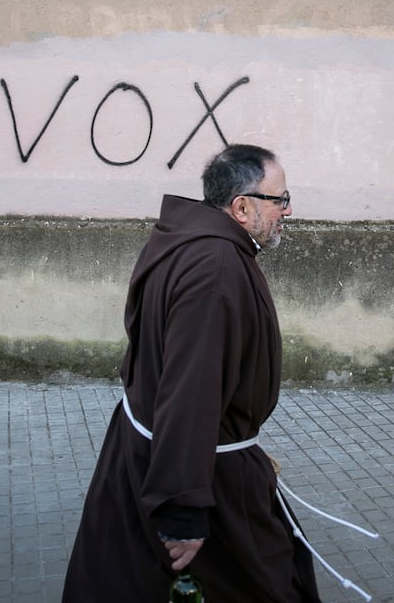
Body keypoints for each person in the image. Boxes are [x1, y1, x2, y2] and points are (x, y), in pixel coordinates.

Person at [62, 144, 319, 602]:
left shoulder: (186, 240)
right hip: (199, 470)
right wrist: (184, 509)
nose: (288, 209)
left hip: (157, 450)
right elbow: (191, 392)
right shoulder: (216, 269)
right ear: (242, 207)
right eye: (280, 199)